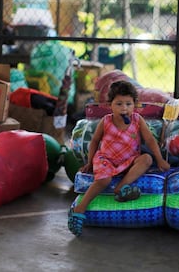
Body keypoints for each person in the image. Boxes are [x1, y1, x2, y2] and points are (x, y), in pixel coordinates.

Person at [68, 80, 171, 237]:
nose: (124, 108)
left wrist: (160, 159)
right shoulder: (106, 121)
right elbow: (95, 141)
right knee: (104, 180)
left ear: (135, 105)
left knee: (146, 159)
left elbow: (150, 140)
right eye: (119, 104)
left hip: (129, 160)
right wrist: (89, 162)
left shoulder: (137, 120)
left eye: (129, 104)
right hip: (106, 159)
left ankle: (121, 188)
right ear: (110, 105)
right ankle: (80, 208)